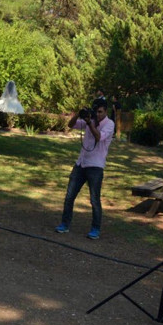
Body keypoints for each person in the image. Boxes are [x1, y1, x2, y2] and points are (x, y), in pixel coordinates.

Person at [55, 97, 115, 240]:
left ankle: (95, 229)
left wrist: (90, 123)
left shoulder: (109, 124)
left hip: (95, 166)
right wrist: (79, 114)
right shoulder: (90, 119)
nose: (98, 115)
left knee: (94, 200)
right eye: (96, 112)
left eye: (100, 112)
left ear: (106, 111)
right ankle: (65, 224)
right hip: (81, 163)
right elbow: (70, 125)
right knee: (69, 196)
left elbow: (98, 136)